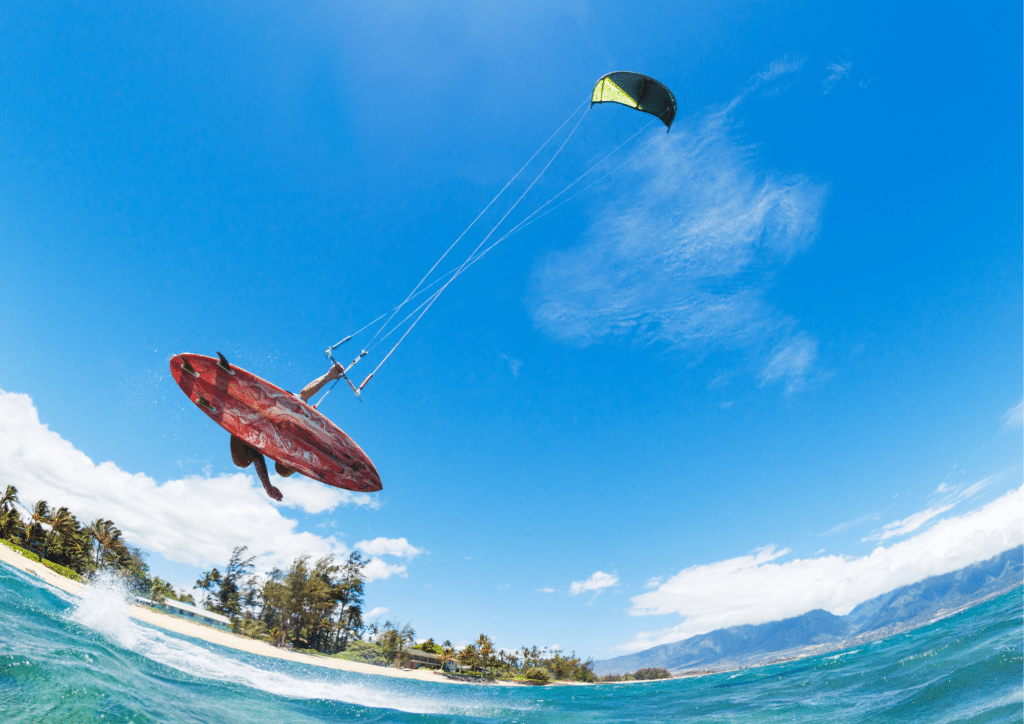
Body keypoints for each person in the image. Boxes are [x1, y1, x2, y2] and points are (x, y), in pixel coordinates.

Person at [230, 364, 344, 501]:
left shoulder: (251, 429)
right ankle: (309, 447)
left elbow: (302, 397)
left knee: (243, 461)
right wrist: (267, 487)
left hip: (270, 413)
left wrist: (328, 376)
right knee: (282, 470)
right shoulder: (253, 443)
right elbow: (256, 457)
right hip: (280, 433)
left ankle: (307, 440)